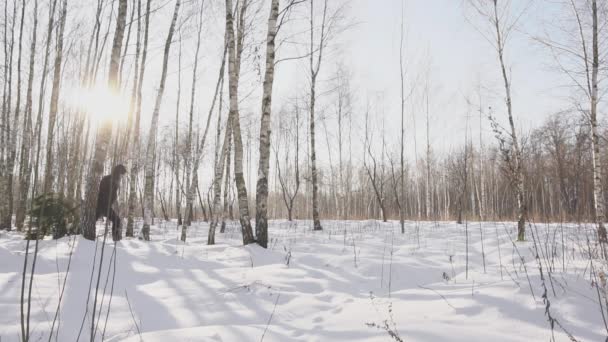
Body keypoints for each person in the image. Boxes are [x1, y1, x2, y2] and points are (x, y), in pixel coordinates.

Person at [96, 164, 127, 241]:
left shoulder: (111, 179)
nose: (122, 177)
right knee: (117, 220)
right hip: (103, 205)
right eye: (121, 175)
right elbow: (103, 192)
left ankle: (116, 238)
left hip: (104, 205)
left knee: (94, 219)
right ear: (119, 173)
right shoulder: (110, 180)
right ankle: (116, 239)